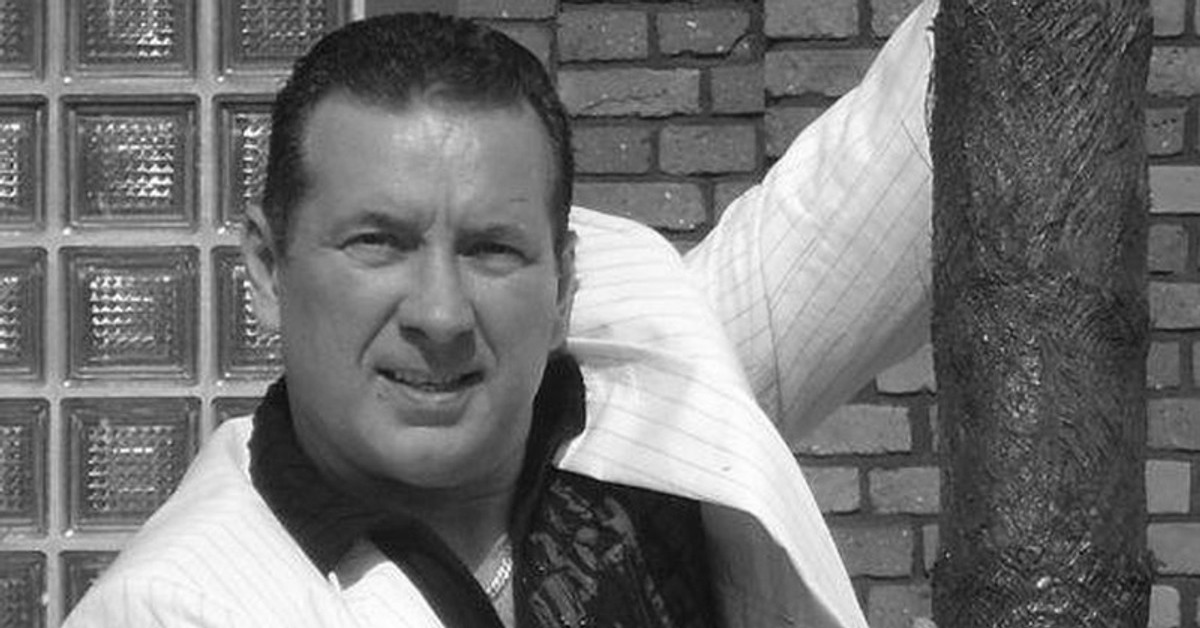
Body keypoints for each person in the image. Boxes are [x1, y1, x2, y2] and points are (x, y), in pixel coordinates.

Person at [63, 1, 936, 627]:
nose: (442, 314)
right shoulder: (178, 606)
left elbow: (901, 157)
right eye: (378, 242)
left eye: (492, 250)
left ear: (563, 286)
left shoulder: (655, 408)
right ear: (265, 267)